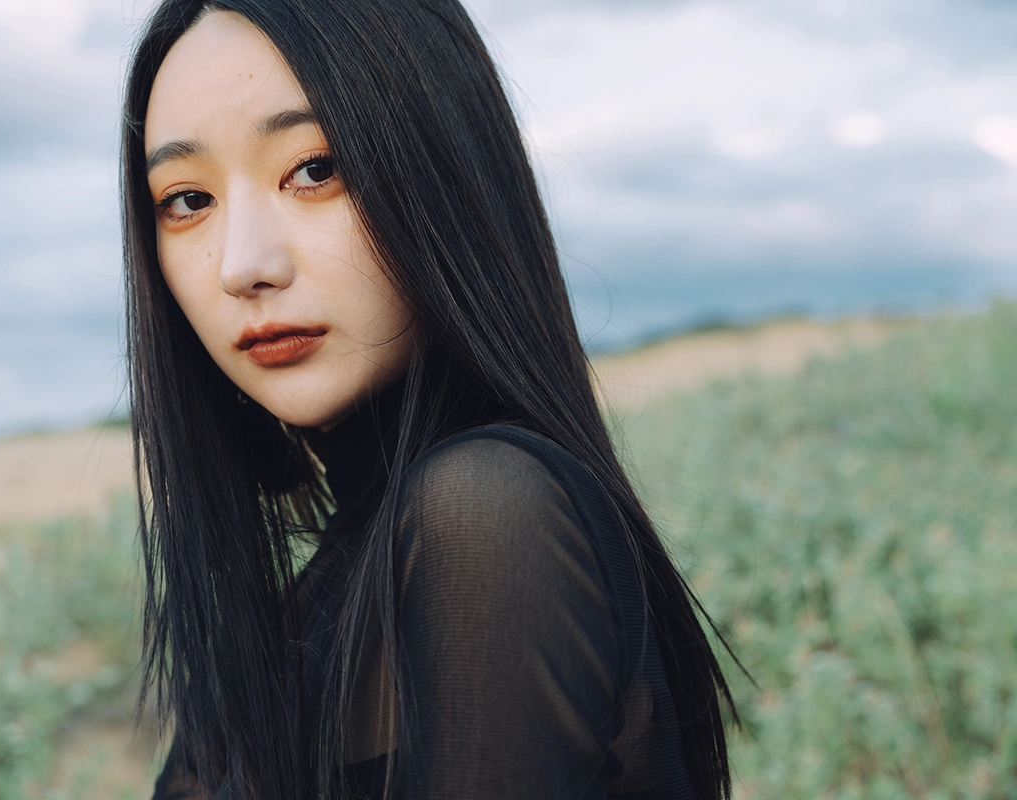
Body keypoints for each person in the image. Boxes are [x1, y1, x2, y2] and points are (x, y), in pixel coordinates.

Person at [119, 1, 739, 798]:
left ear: (444, 170)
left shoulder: (487, 513)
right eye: (187, 200)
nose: (243, 264)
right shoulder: (296, 614)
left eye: (316, 169)